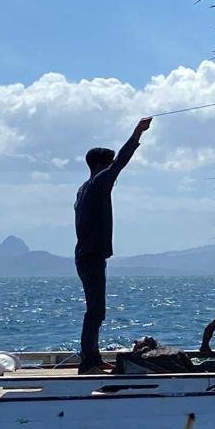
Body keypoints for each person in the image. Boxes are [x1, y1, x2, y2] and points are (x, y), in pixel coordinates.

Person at [73, 116, 152, 372]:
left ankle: (93, 358)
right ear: (99, 166)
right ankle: (88, 363)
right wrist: (137, 133)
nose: (112, 175)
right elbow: (119, 164)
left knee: (97, 310)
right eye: (107, 167)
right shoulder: (96, 184)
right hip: (91, 256)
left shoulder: (84, 188)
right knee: (95, 311)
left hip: (89, 255)